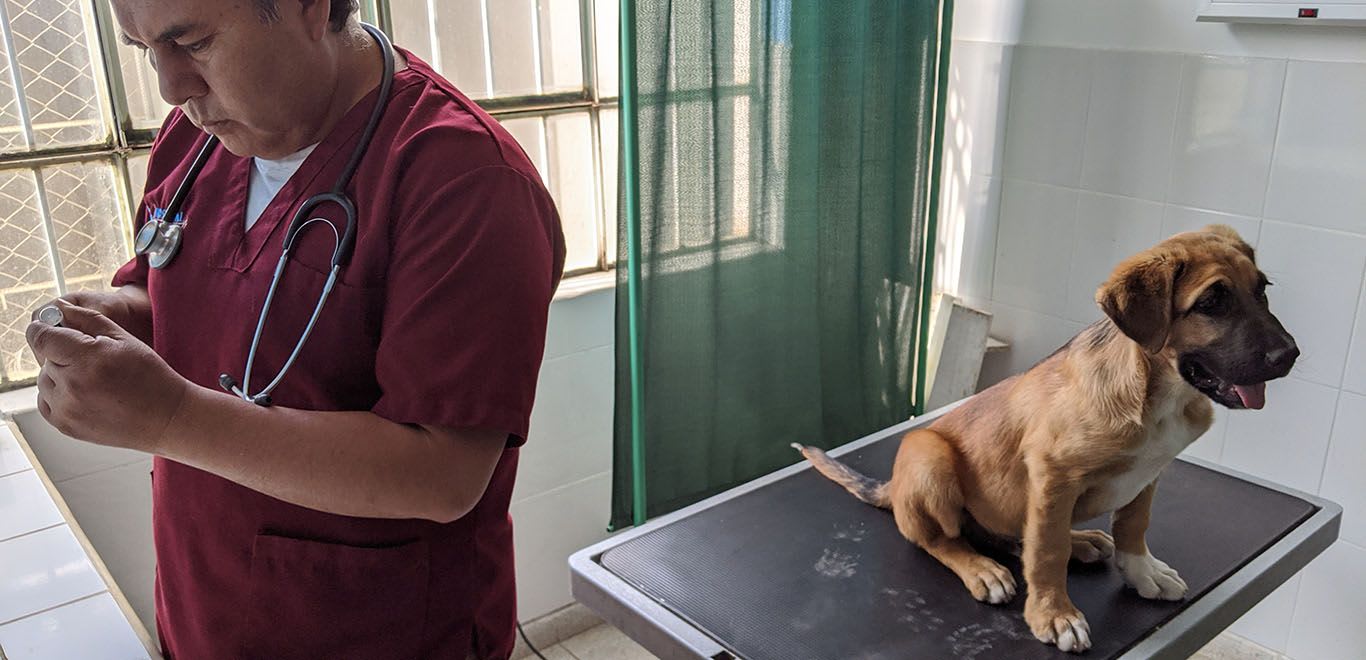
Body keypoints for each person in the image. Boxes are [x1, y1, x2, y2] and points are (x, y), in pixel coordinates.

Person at [24, 0, 565, 657]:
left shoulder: (466, 183)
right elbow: (191, 292)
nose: (169, 87)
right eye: (145, 50)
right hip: (206, 609)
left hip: (379, 631)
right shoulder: (195, 138)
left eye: (191, 43)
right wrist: (125, 316)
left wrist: (171, 418)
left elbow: (444, 472)